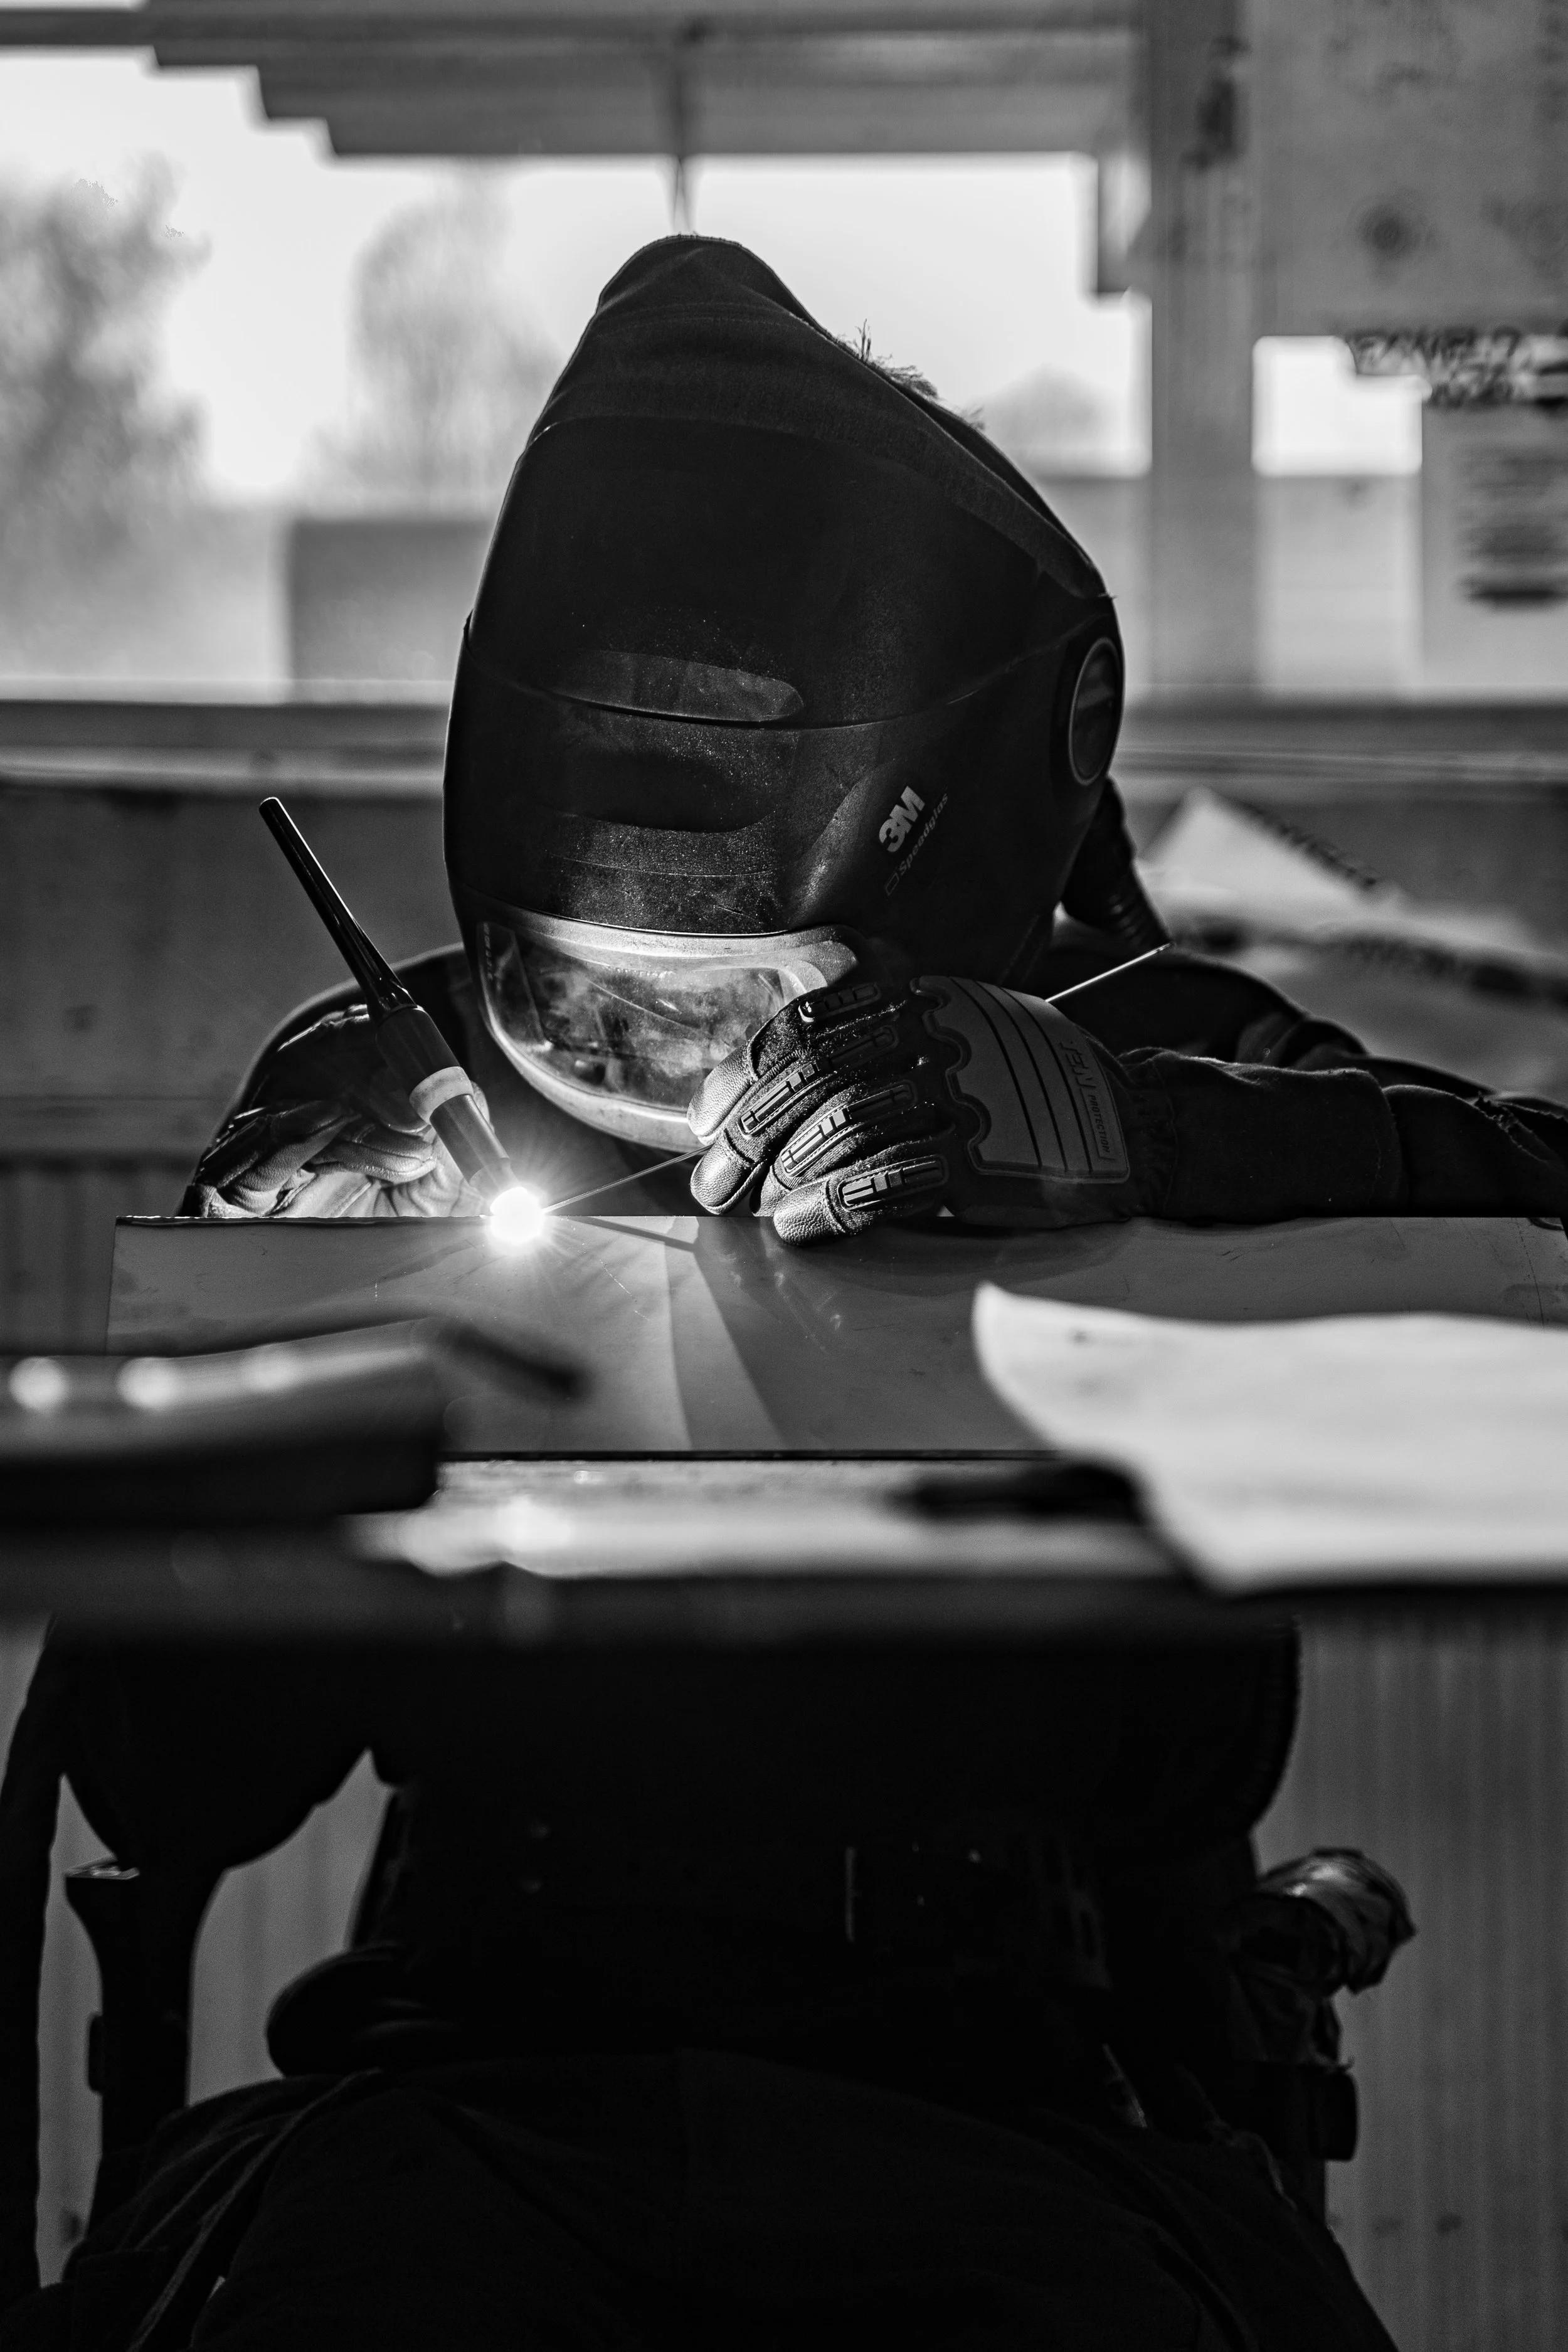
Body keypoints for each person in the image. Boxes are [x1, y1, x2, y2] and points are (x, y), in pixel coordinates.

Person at [3, 235, 1496, 2352]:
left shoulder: (1160, 1048)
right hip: (467, 2102)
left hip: (1011, 2113)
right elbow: (171, 1787)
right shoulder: (378, 1091)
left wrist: (1145, 1145)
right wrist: (290, 1380)